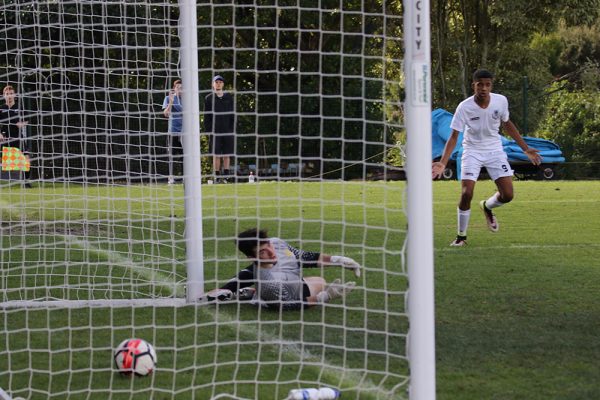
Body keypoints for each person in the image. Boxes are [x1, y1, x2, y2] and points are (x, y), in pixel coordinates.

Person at [432, 69, 542, 247]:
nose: (483, 88)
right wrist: (443, 163)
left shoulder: (500, 101)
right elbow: (453, 137)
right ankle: (461, 237)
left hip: (495, 151)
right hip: (472, 152)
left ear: (491, 85)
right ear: (473, 85)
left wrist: (526, 149)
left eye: (487, 84)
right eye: (480, 84)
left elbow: (507, 124)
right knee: (466, 193)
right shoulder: (464, 107)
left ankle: (487, 206)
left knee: (508, 195)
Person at [205, 228, 361, 310]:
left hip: (284, 280)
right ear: (252, 257)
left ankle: (249, 292)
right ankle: (257, 297)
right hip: (279, 294)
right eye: (262, 252)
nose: (271, 252)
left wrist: (338, 260)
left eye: (268, 246)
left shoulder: (277, 243)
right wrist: (325, 296)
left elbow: (302, 257)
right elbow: (288, 305)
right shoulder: (269, 286)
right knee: (320, 282)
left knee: (317, 280)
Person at [204, 75, 235, 183]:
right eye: (216, 82)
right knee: (216, 154)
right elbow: (206, 116)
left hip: (227, 130)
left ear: (223, 84)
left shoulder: (229, 97)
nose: (218, 84)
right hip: (215, 131)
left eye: (220, 82)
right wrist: (208, 131)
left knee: (227, 154)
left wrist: (232, 129)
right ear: (213, 84)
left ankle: (226, 176)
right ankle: (216, 176)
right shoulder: (208, 98)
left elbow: (233, 114)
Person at [0, 85, 31, 187]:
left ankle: (26, 182)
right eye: (7, 94)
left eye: (11, 94)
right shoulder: (1, 108)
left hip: (17, 135)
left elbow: (27, 119)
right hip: (4, 137)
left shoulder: (19, 107)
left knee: (26, 157)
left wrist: (21, 124)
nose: (9, 96)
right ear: (4, 96)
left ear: (15, 95)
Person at [162, 79, 184, 185]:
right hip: (173, 133)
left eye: (182, 88)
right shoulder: (168, 98)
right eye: (178, 87)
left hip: (185, 134)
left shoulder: (188, 99)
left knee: (185, 156)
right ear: (174, 88)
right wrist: (170, 102)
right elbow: (166, 113)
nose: (180, 90)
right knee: (171, 156)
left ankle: (185, 177)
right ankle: (171, 178)